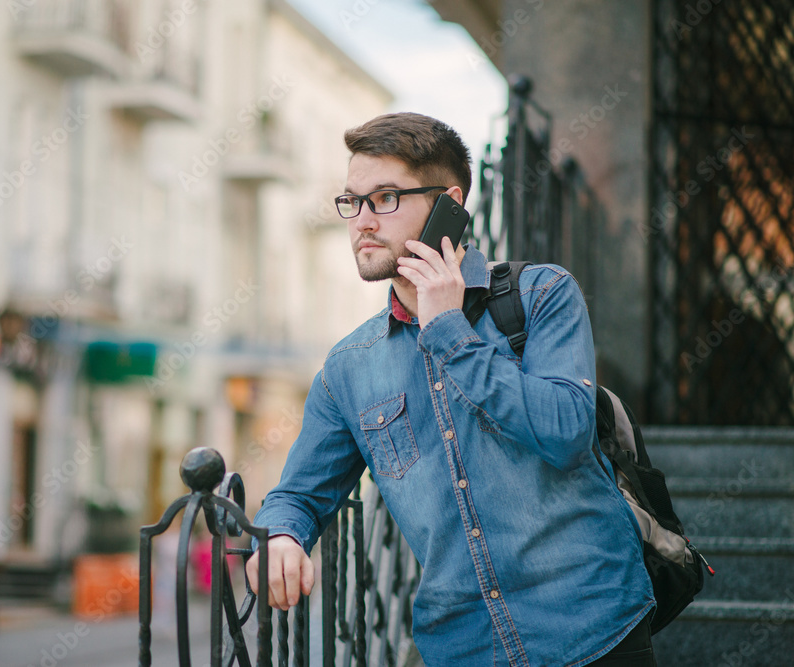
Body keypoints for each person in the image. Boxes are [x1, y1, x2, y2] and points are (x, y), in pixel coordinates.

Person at [246, 112, 657, 665]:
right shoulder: (349, 368)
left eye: (385, 198)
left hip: (593, 632)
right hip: (462, 649)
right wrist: (281, 536)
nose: (362, 221)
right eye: (352, 202)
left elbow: (566, 431)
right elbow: (297, 495)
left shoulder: (542, 296)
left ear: (450, 204)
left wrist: (449, 332)